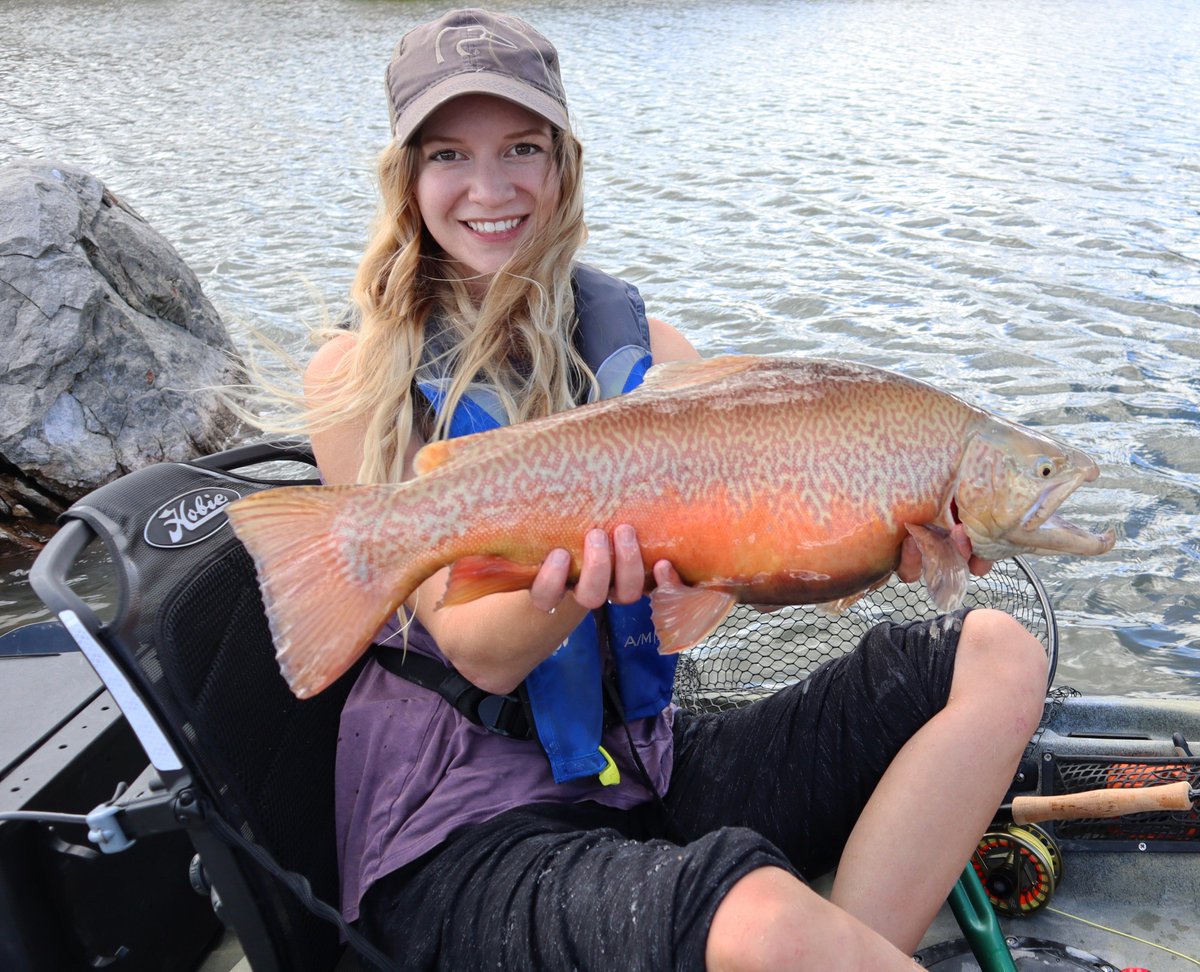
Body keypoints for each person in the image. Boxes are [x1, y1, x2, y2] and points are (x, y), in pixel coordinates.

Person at [299, 9, 1049, 970]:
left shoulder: (650, 352)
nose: (489, 187)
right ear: (407, 177)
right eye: (449, 154)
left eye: (522, 147)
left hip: (642, 770)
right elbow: (479, 657)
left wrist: (864, 548)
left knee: (996, 652)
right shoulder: (357, 378)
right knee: (764, 916)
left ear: (563, 164)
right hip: (467, 827)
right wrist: (579, 579)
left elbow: (743, 563)